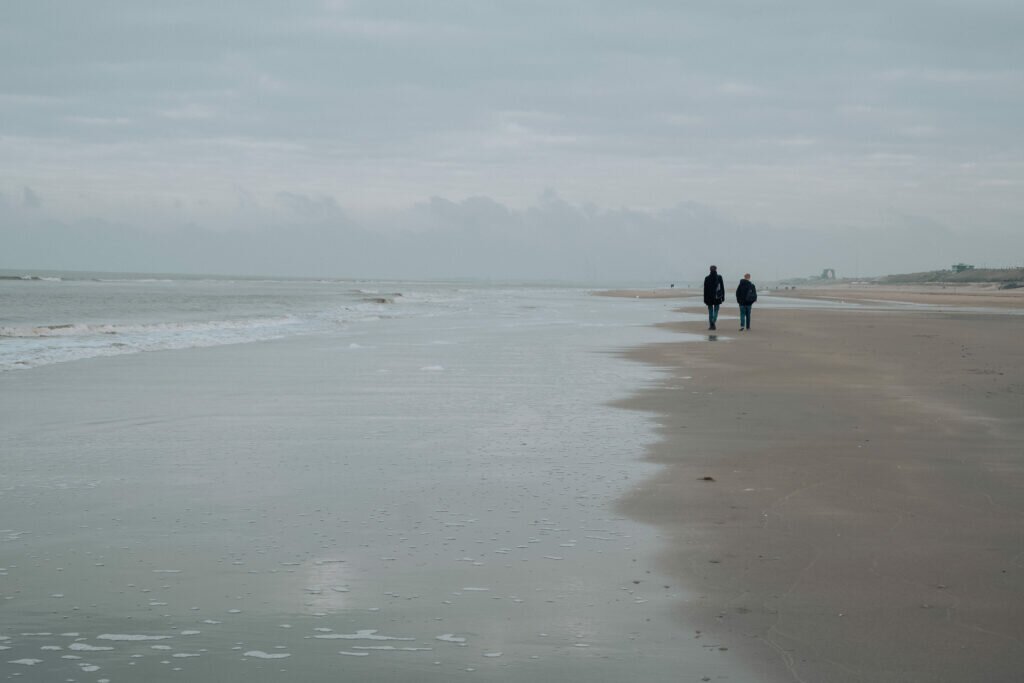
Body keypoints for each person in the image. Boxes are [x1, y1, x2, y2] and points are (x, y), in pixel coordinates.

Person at [702, 265, 725, 330]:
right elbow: (722, 288)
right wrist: (723, 297)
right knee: (716, 310)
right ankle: (713, 322)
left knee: (710, 311)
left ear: (710, 270)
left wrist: (704, 299)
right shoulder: (719, 277)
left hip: (709, 297)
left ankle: (711, 325)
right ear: (716, 269)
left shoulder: (707, 278)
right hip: (717, 297)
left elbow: (705, 290)